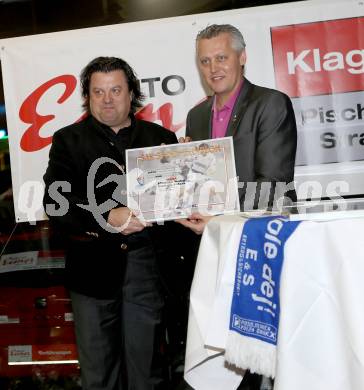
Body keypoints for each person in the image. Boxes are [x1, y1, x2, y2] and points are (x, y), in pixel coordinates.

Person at [43, 56, 178, 390]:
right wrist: (105, 216)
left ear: (131, 93)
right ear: (87, 96)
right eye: (98, 91)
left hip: (148, 271)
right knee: (99, 377)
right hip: (91, 274)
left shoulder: (160, 138)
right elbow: (55, 204)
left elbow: (178, 202)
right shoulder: (67, 141)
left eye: (115, 90)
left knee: (148, 375)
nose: (107, 99)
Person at [178, 23, 297, 235]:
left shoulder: (270, 103)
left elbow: (273, 183)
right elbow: (201, 184)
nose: (213, 68)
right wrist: (178, 167)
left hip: (264, 236)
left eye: (221, 58)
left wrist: (219, 218)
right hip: (214, 241)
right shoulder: (196, 116)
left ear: (242, 57)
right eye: (205, 61)